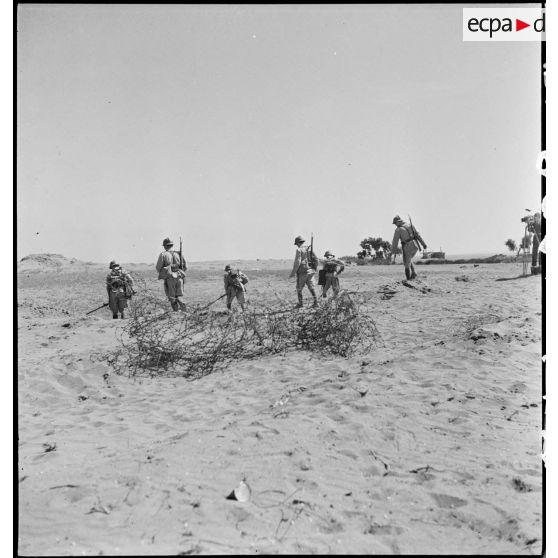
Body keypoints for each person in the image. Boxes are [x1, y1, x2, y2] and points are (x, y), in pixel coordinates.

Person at [391, 215, 427, 280]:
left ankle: (408, 279)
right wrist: (423, 244)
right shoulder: (410, 225)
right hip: (415, 246)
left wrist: (393, 250)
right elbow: (417, 235)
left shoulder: (398, 230)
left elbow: (395, 241)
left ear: (398, 222)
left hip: (407, 246)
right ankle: (413, 272)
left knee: (406, 263)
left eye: (395, 223)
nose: (395, 225)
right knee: (409, 260)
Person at [156, 237, 187, 311]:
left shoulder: (163, 254)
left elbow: (158, 267)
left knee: (172, 297)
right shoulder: (178, 254)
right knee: (179, 296)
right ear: (172, 245)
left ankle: (176, 313)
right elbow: (185, 266)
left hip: (170, 277)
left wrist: (164, 273)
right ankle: (184, 311)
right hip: (179, 276)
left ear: (165, 246)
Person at [289, 235, 319, 307]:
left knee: (299, 289)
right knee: (311, 288)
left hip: (302, 273)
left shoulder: (299, 250)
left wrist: (293, 273)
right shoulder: (309, 249)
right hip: (310, 272)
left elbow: (297, 262)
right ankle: (316, 303)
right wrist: (314, 269)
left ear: (298, 243)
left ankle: (300, 303)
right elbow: (316, 259)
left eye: (296, 244)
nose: (296, 245)